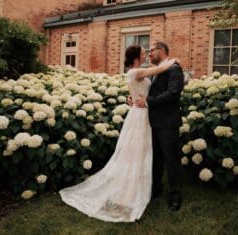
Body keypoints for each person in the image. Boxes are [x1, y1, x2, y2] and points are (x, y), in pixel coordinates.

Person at [59, 45, 178, 222]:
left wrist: (133, 99)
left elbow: (146, 89)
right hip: (140, 115)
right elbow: (160, 69)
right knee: (135, 154)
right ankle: (129, 192)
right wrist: (174, 61)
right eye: (144, 52)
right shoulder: (135, 72)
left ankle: (146, 187)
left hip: (143, 112)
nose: (146, 53)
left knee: (142, 153)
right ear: (136, 56)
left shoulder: (139, 71)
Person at [135, 41, 184, 211]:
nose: (149, 54)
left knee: (171, 160)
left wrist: (148, 101)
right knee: (155, 160)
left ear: (161, 51)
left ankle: (175, 196)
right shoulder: (155, 71)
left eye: (151, 51)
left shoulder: (175, 69)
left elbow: (172, 94)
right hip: (153, 123)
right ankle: (156, 190)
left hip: (168, 123)